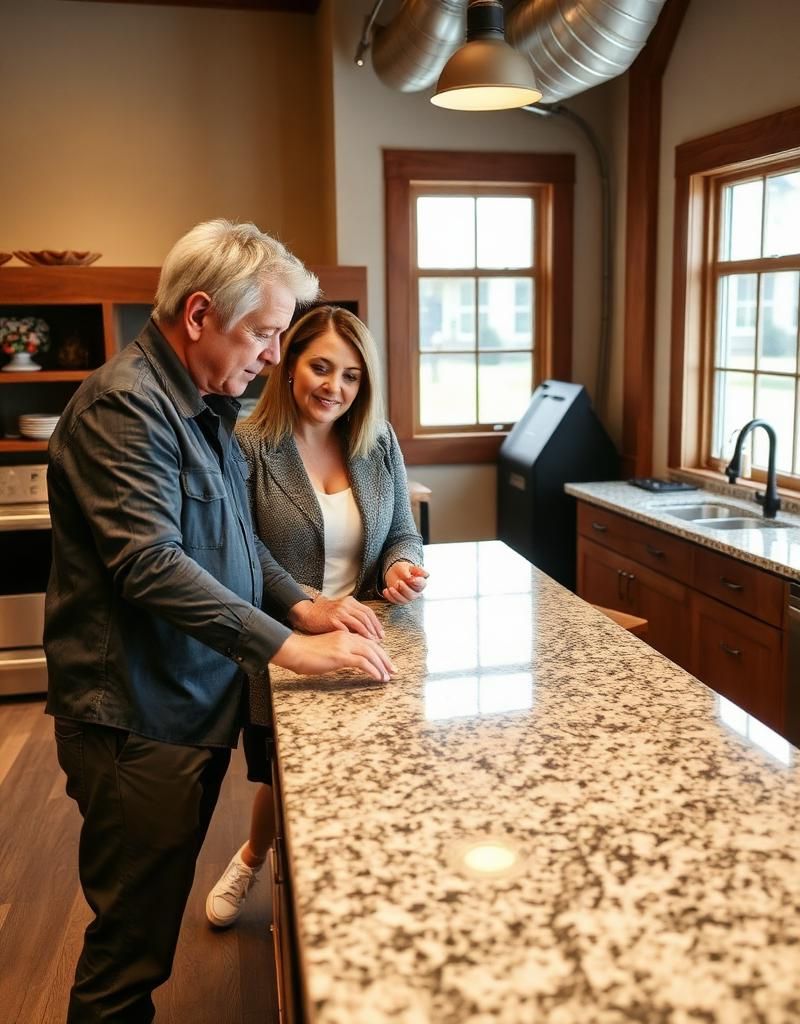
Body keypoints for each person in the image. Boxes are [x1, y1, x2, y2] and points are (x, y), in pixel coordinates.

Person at [45, 221, 397, 1024]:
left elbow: (235, 541)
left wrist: (303, 604)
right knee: (130, 948)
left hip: (189, 702)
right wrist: (292, 648)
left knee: (150, 924)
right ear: (200, 314)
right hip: (137, 717)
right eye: (265, 333)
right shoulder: (126, 406)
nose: (273, 356)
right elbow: (149, 563)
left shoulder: (204, 407)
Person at [205, 305, 428, 928]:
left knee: (378, 770)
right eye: (321, 368)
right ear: (289, 365)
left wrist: (399, 568)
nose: (335, 387)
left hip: (371, 638)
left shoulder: (377, 442)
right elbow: (242, 552)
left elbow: (403, 533)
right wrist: (307, 603)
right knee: (284, 780)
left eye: (351, 375)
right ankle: (253, 859)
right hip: (287, 642)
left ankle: (359, 886)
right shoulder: (247, 446)